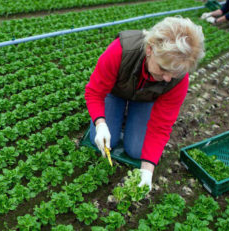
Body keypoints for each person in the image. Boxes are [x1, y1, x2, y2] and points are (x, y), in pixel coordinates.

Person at [84, 16, 205, 192]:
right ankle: (116, 116)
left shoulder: (177, 79)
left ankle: (129, 116)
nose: (167, 78)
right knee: (105, 140)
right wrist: (100, 123)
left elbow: (162, 125)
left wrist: (148, 171)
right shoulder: (121, 50)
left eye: (175, 73)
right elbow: (94, 92)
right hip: (115, 92)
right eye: (163, 69)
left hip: (145, 99)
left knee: (137, 150)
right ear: (149, 49)